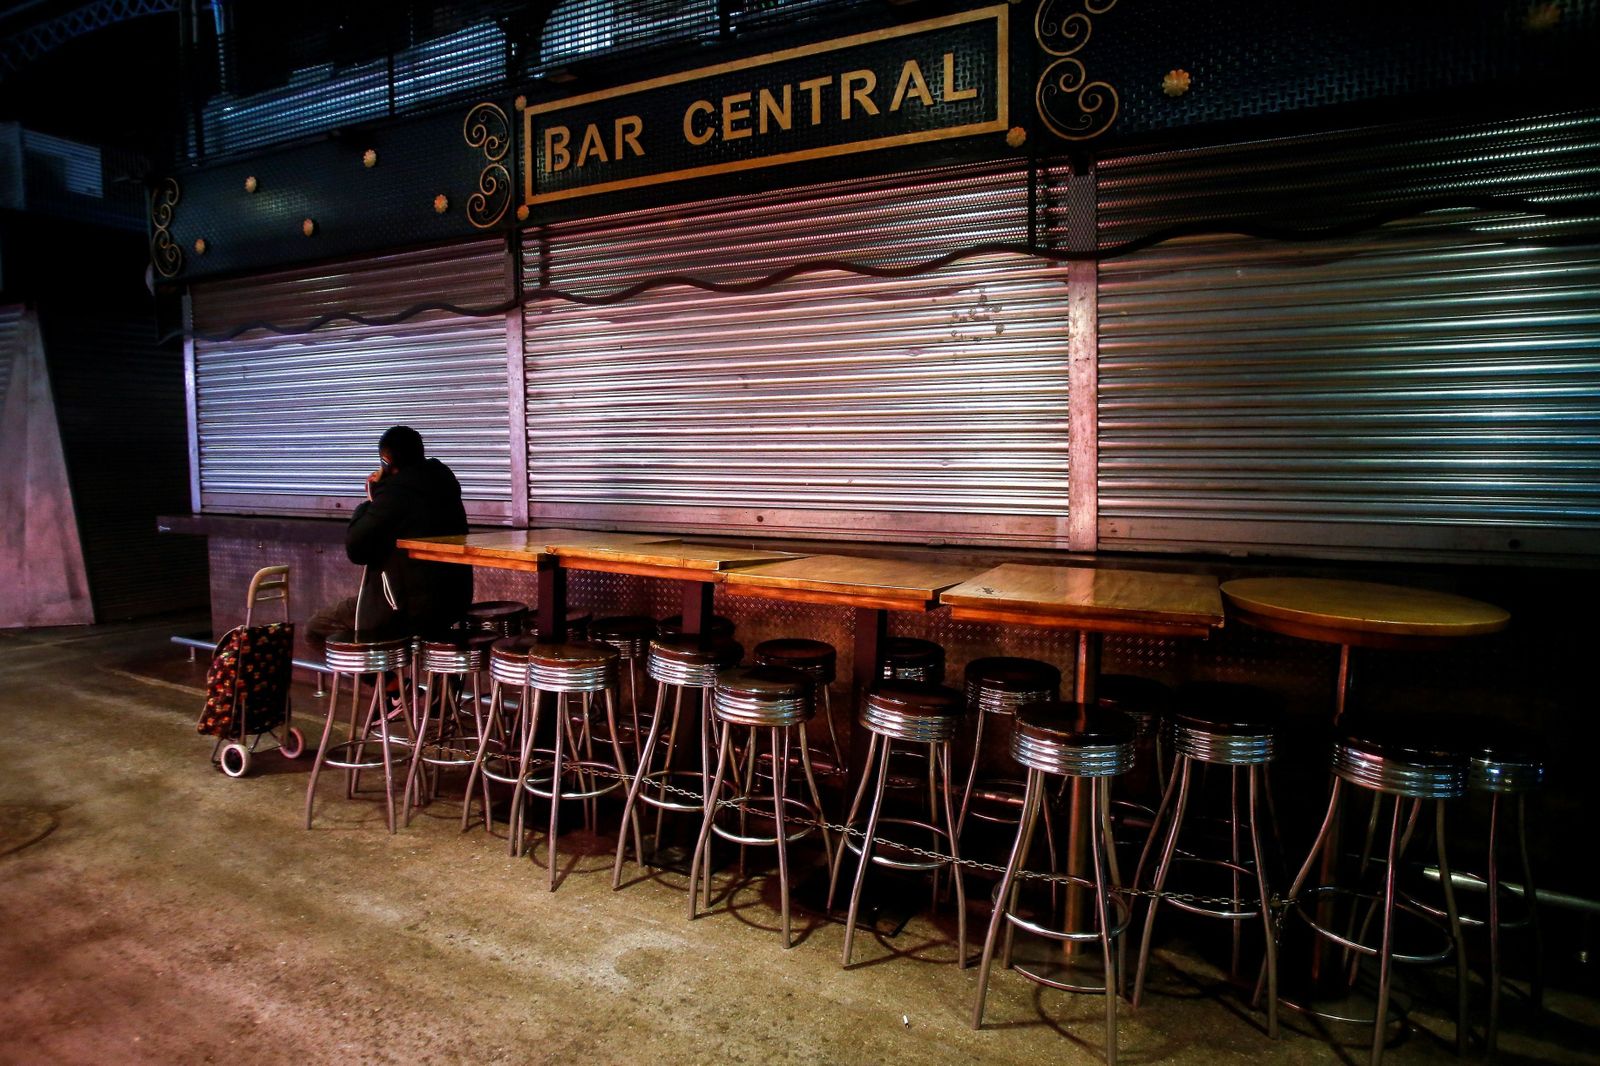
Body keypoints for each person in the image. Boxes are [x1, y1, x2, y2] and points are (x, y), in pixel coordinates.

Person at [308, 425, 472, 647]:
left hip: (406, 609)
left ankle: (390, 683)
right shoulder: (444, 481)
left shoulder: (395, 493)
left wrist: (370, 500)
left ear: (387, 461)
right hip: (455, 603)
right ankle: (414, 683)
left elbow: (356, 548)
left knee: (317, 628)